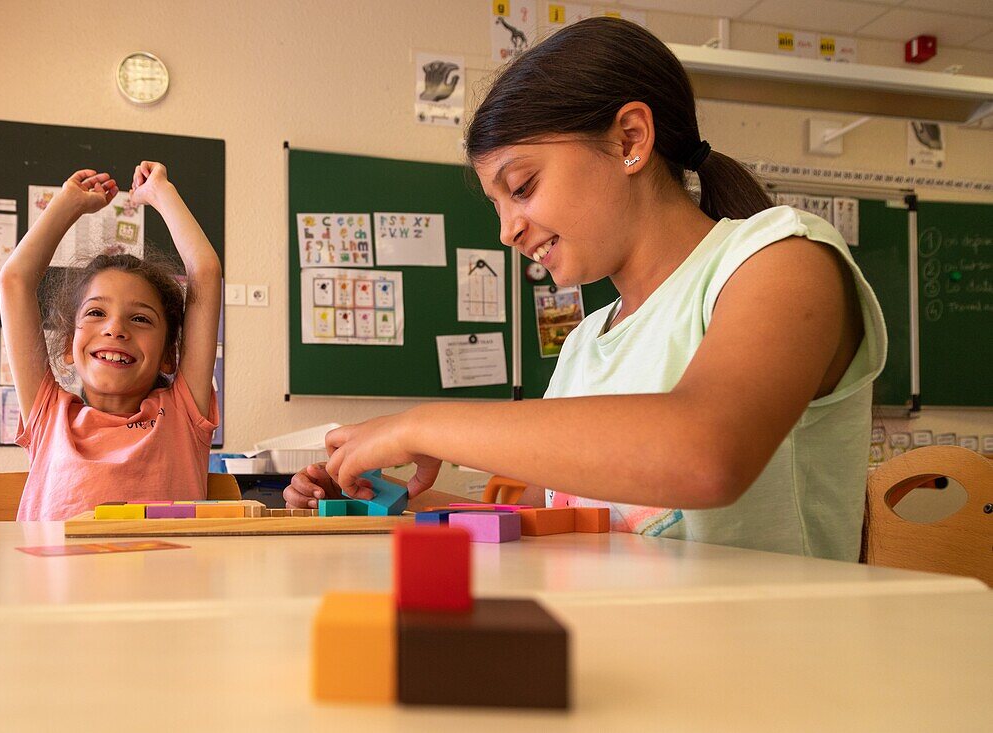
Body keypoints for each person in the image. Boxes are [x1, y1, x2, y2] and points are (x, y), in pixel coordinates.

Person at [285, 17, 886, 560]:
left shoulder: (781, 257)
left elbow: (707, 454)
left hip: (776, 670)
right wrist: (385, 500)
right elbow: (573, 527)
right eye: (497, 205)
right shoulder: (586, 343)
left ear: (629, 139)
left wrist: (418, 425)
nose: (507, 230)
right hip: (630, 656)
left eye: (521, 187)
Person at [0, 162, 222, 520]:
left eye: (140, 318)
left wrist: (162, 194)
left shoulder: (182, 414)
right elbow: (15, 280)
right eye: (95, 313)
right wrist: (66, 204)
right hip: (57, 576)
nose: (115, 329)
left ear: (169, 355)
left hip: (165, 577)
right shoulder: (49, 416)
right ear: (69, 343)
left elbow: (206, 272)